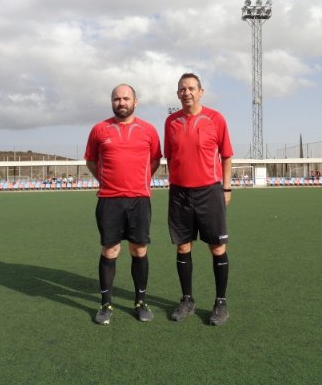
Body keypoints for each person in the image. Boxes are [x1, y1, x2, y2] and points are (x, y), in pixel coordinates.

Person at [84, 84, 162, 325]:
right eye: (117, 99)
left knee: (139, 250)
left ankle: (140, 302)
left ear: (135, 102)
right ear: (112, 102)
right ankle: (105, 304)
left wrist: (140, 182)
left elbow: (155, 161)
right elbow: (91, 161)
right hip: (109, 200)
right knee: (110, 251)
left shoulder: (148, 130)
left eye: (126, 98)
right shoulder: (99, 130)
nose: (121, 102)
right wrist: (106, 181)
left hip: (139, 199)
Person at [164, 72, 234, 326]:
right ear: (178, 93)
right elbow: (170, 157)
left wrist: (226, 188)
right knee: (183, 246)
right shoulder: (171, 121)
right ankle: (187, 299)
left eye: (191, 88)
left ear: (201, 91)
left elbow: (226, 156)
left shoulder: (216, 119)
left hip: (210, 192)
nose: (187, 93)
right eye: (182, 89)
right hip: (180, 193)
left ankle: (221, 302)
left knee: (216, 247)